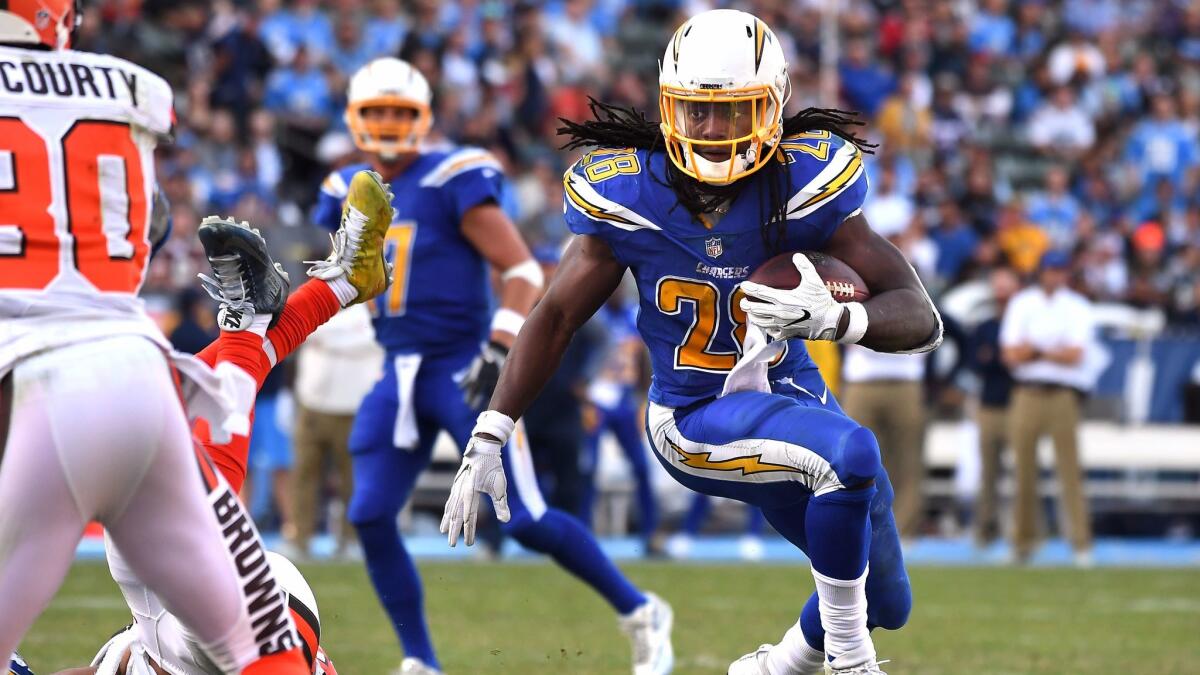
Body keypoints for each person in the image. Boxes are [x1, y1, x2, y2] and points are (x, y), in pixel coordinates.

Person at [441, 9, 942, 675]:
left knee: (887, 595)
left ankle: (778, 665)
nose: (710, 129)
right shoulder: (631, 190)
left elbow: (918, 314)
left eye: (732, 111)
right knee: (850, 451)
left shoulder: (803, 182)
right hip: (694, 414)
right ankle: (850, 662)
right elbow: (557, 315)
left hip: (787, 390)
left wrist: (839, 321)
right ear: (668, 105)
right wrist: (492, 429)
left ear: (772, 106)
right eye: (696, 111)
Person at [313, 57, 673, 675]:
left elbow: (523, 271)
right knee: (369, 513)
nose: (390, 124)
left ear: (423, 117)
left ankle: (641, 609)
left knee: (526, 519)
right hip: (399, 368)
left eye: (401, 113)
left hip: (464, 366)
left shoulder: (454, 174)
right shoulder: (344, 187)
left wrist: (499, 348)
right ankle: (420, 660)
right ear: (354, 117)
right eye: (377, 113)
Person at [0, 5, 306, 671]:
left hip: (36, 378)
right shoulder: (131, 88)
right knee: (262, 646)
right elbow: (148, 218)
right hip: (133, 371)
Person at [48, 165, 393, 674]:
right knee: (193, 542)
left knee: (142, 435)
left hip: (155, 624)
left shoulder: (129, 658)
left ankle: (317, 297)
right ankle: (269, 315)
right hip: (251, 612)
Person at [999, 250, 1095, 565]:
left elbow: (1076, 355)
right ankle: (1024, 543)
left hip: (1063, 394)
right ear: (1042, 272)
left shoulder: (1078, 307)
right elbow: (1011, 355)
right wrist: (1050, 350)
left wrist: (1035, 350)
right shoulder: (1022, 302)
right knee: (1023, 470)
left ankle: (1080, 543)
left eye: (1061, 271)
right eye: (1051, 271)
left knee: (1070, 470)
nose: (1055, 276)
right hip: (1027, 392)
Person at [579, 292, 660, 553]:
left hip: (624, 399)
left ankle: (651, 534)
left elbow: (644, 359)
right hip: (595, 397)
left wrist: (642, 396)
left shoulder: (633, 314)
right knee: (588, 467)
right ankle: (582, 533)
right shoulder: (591, 314)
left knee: (641, 467)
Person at [839, 345, 930, 540]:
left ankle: (903, 533)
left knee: (908, 461)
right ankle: (854, 529)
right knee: (853, 459)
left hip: (906, 382)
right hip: (861, 382)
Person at [969, 266, 1020, 548]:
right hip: (990, 405)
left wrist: (998, 358)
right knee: (988, 473)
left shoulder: (1024, 323)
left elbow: (1014, 362)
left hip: (1017, 404)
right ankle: (985, 530)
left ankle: (1019, 530)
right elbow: (978, 363)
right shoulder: (985, 326)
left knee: (1020, 472)